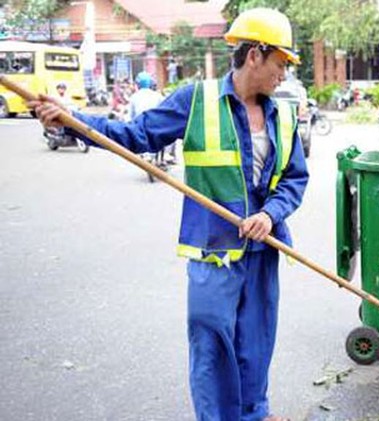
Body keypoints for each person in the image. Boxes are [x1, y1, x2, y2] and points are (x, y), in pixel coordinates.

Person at [29, 8, 308, 420]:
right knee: (212, 343)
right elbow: (136, 135)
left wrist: (270, 213)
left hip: (262, 247)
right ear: (255, 55)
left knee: (256, 340)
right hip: (214, 249)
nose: (284, 74)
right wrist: (73, 121)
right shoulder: (195, 100)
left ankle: (254, 413)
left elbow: (294, 179)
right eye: (281, 63)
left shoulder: (282, 115)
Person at [128, 72, 174, 162]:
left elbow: (131, 115)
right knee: (172, 133)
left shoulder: (133, 97)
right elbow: (165, 108)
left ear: (138, 84)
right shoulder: (157, 95)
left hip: (140, 126)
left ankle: (144, 154)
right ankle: (167, 154)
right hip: (156, 124)